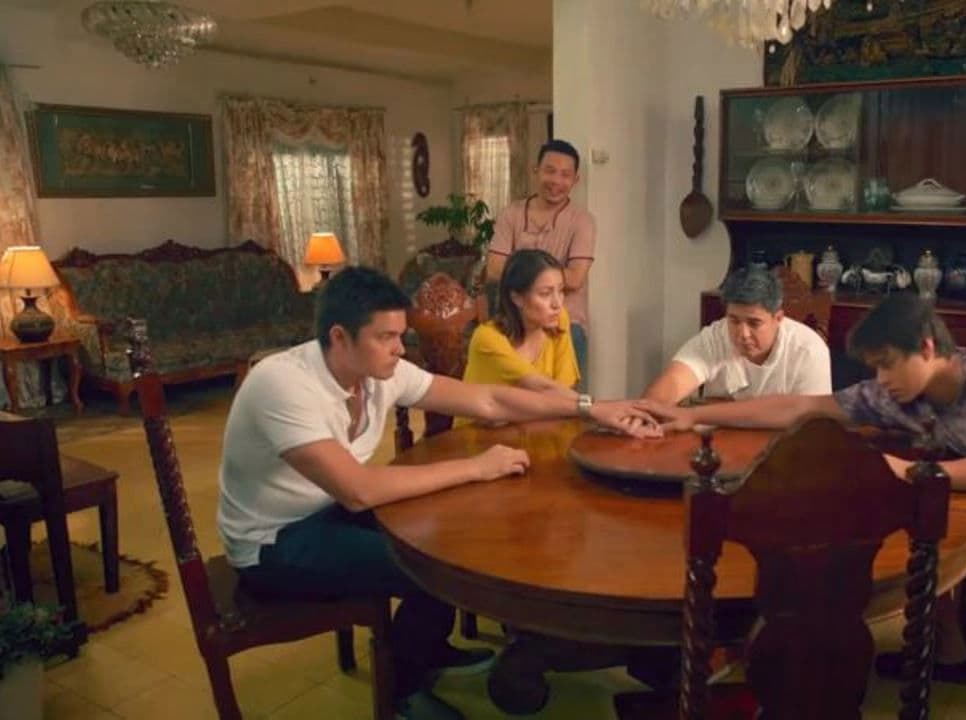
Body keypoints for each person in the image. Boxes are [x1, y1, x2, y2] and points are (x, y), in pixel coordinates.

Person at [640, 292, 966, 720]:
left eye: (887, 363)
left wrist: (908, 470)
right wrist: (696, 417)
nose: (881, 379)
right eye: (875, 367)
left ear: (926, 347)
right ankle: (949, 656)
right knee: (924, 526)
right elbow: (802, 406)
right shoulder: (903, 394)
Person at [218, 267, 657, 720]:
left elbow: (488, 400)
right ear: (340, 337)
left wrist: (590, 408)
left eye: (401, 335)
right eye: (386, 337)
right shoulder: (281, 384)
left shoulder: (379, 371)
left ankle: (429, 647)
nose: (400, 348)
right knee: (429, 567)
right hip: (274, 541)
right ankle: (403, 690)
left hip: (328, 507)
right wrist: (476, 467)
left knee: (449, 531)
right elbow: (358, 490)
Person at [486, 139, 595, 385]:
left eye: (565, 175)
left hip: (566, 321)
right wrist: (550, 278)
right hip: (515, 319)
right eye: (550, 171)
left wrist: (522, 274)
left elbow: (576, 278)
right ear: (536, 171)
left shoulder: (582, 221)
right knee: (507, 396)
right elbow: (493, 269)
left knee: (566, 401)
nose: (556, 181)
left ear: (575, 180)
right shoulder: (511, 214)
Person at [642, 267, 831, 403]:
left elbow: (813, 424)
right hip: (722, 440)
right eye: (734, 320)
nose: (743, 334)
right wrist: (645, 412)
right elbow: (674, 381)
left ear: (778, 318)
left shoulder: (809, 350)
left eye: (754, 323)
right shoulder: (715, 337)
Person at [458, 249, 579, 425]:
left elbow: (563, 389)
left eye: (561, 291)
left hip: (537, 426)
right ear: (517, 298)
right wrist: (595, 408)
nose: (557, 304)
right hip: (479, 435)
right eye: (545, 294)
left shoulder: (559, 319)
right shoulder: (487, 338)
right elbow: (544, 389)